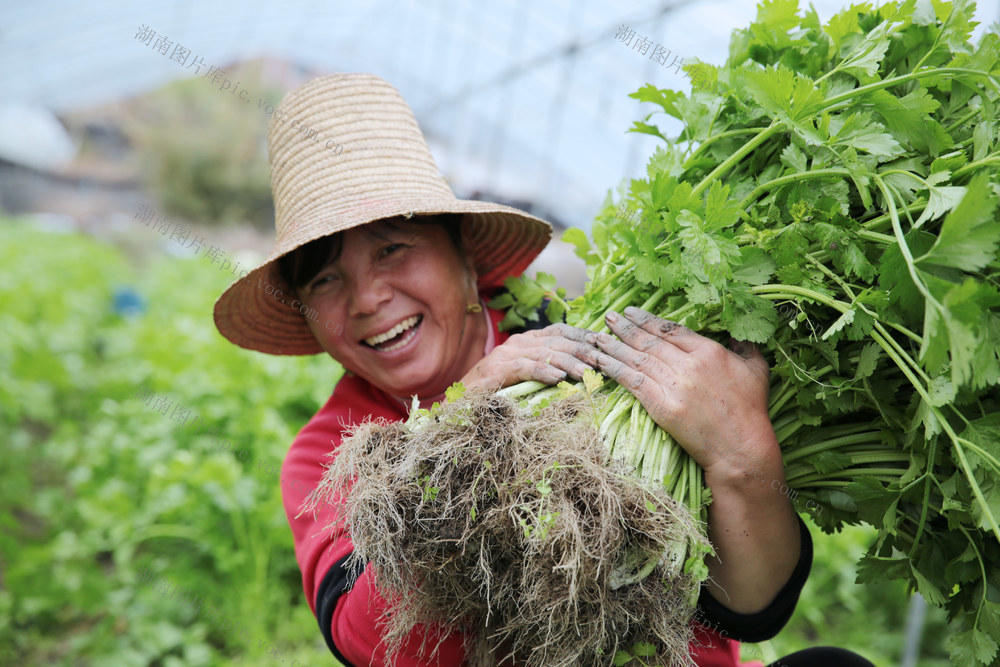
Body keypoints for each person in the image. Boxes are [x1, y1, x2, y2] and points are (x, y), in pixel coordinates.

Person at [213, 73, 875, 667]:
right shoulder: (330, 452)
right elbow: (376, 643)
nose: (366, 299)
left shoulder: (600, 338)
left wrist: (742, 457)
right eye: (326, 280)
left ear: (466, 257)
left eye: (393, 248)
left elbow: (750, 606)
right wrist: (456, 427)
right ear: (306, 315)